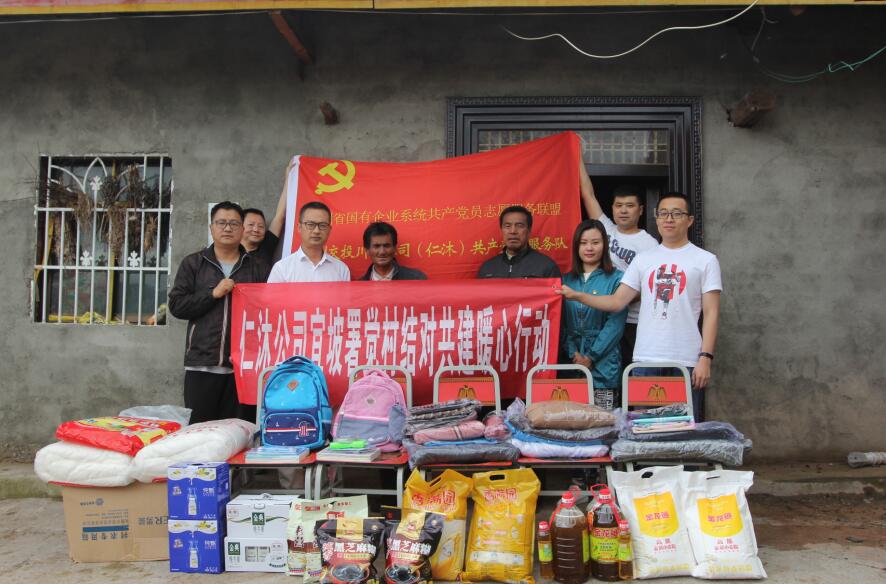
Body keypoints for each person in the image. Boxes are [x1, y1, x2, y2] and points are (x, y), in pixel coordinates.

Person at [556, 192, 721, 421]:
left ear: (690, 220)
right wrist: (577, 296)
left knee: (683, 427)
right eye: (663, 213)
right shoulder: (643, 259)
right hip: (645, 357)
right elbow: (617, 301)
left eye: (676, 213)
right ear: (656, 217)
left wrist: (705, 357)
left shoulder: (705, 260)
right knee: (645, 427)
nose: (669, 219)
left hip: (687, 359)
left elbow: (711, 313)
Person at [168, 201, 269, 424]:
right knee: (201, 431)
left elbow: (268, 312)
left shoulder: (257, 267)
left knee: (239, 431)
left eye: (234, 223)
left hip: (243, 368)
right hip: (202, 364)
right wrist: (212, 294)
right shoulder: (194, 263)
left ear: (242, 229)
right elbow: (177, 305)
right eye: (221, 223)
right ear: (211, 227)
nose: (227, 228)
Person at [579, 163, 658, 371]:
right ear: (612, 208)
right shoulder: (605, 229)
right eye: (618, 205)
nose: (623, 210)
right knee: (601, 372)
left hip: (632, 321)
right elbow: (588, 195)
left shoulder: (649, 244)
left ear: (641, 210)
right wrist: (577, 156)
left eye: (630, 205)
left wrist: (617, 300)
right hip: (600, 319)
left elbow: (649, 287)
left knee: (630, 373)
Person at [560, 219, 628, 409]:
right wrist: (573, 353)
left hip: (604, 365)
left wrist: (591, 357)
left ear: (604, 245)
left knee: (604, 420)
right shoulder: (566, 280)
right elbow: (560, 324)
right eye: (583, 243)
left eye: (595, 242)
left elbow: (615, 324)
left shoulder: (617, 279)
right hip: (571, 364)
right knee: (571, 420)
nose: (589, 248)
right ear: (576, 246)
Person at [267, 201, 351, 283]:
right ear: (299, 228)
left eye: (322, 225)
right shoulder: (281, 269)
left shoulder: (341, 270)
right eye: (310, 225)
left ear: (329, 230)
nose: (316, 231)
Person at [477, 205, 560, 278]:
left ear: (529, 230)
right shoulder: (487, 268)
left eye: (519, 226)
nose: (513, 231)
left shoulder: (546, 266)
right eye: (507, 226)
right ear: (501, 230)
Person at [241, 161, 291, 266]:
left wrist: (289, 178)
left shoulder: (266, 248)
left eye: (261, 226)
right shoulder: (227, 252)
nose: (256, 229)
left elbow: (280, 216)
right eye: (251, 225)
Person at [358, 222, 427, 281]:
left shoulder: (415, 278)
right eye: (376, 246)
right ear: (367, 250)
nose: (382, 252)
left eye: (387, 246)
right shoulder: (360, 285)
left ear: (395, 248)